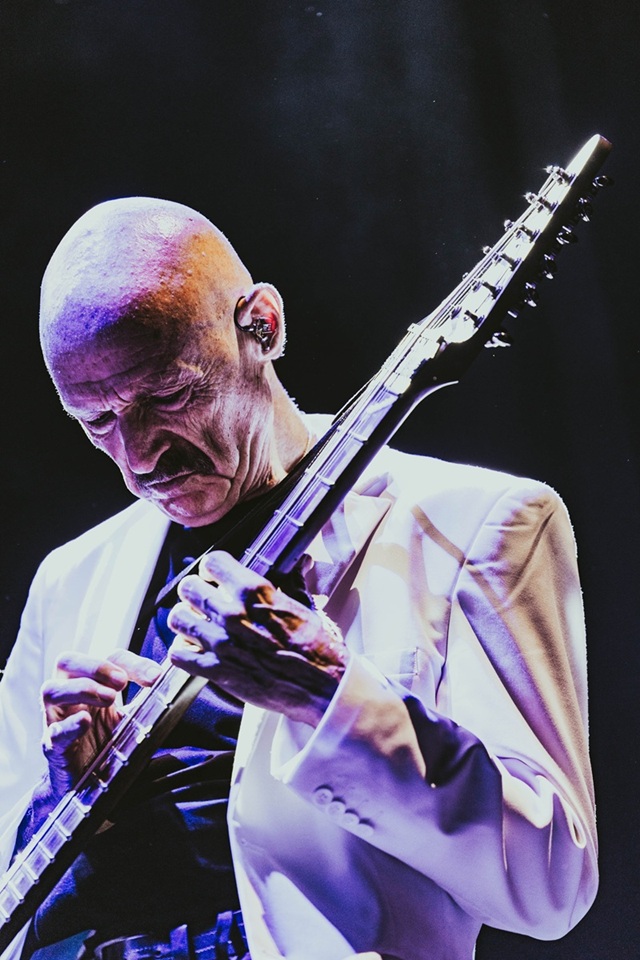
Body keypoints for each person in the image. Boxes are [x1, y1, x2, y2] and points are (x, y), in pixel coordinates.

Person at [0, 198, 598, 960]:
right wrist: (59, 802)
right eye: (98, 421)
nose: (141, 455)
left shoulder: (479, 524)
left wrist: (324, 693)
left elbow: (552, 883)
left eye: (171, 395)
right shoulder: (71, 579)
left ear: (262, 326)